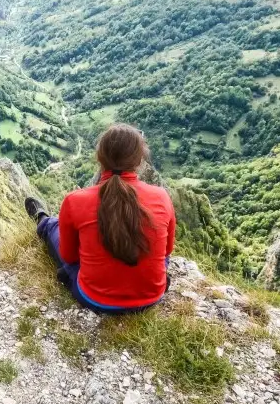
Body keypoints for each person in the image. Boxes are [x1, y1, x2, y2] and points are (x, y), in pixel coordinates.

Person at [25, 124, 175, 315]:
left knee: (55, 228)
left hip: (95, 299)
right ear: (139, 161)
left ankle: (43, 221)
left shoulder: (75, 200)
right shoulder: (162, 196)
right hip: (152, 297)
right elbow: (167, 251)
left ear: (100, 159)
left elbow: (70, 256)